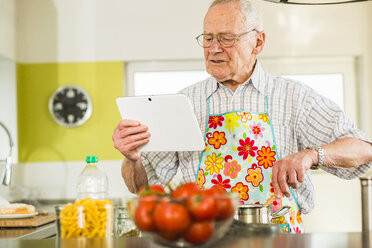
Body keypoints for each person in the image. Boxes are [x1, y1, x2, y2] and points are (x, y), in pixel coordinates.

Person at [112, 0, 372, 233]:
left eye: (226, 38)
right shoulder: (184, 103)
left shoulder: (294, 97)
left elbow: (363, 150)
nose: (214, 48)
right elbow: (142, 187)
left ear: (258, 42)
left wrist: (312, 155)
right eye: (208, 37)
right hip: (206, 238)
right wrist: (132, 158)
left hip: (279, 239)